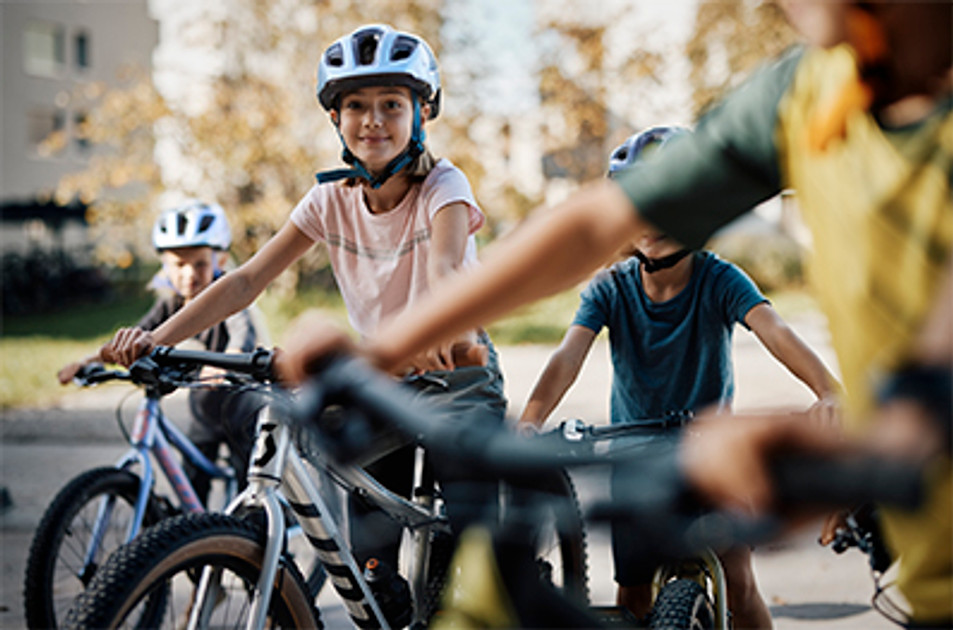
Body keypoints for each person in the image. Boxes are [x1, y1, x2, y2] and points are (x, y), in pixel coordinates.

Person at [276, 2, 952, 625]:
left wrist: (893, 427)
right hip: (922, 567)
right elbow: (595, 224)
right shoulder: (812, 88)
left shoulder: (721, 273)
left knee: (735, 571)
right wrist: (386, 348)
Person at [100, 24, 506, 575]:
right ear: (336, 118)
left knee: (470, 539)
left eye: (392, 103)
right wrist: (157, 339)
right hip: (383, 374)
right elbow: (246, 281)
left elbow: (448, 267)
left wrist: (442, 327)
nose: (374, 120)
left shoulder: (443, 187)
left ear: (423, 113)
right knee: (370, 547)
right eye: (356, 105)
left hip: (455, 366)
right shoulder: (327, 201)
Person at [517, 126, 840, 626]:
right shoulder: (610, 288)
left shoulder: (719, 279)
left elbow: (773, 330)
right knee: (631, 591)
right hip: (632, 453)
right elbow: (568, 355)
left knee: (739, 579)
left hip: (710, 453)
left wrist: (825, 390)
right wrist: (533, 418)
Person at [59, 200, 267, 505]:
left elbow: (242, 332)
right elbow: (138, 335)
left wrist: (227, 360)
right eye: (179, 265)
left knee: (249, 493)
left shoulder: (227, 298)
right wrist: (86, 361)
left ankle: (256, 541)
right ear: (165, 266)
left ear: (219, 259)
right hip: (204, 413)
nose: (189, 274)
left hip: (241, 410)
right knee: (193, 484)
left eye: (199, 264)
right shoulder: (169, 304)